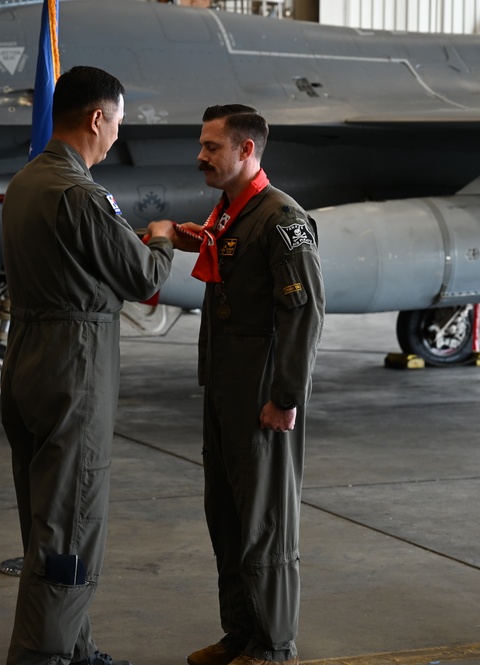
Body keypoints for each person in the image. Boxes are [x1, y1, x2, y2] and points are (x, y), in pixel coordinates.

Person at [0, 65, 176, 665]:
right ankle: (43, 654)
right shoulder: (79, 194)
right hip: (73, 364)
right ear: (97, 119)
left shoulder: (26, 181)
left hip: (26, 353)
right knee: (71, 519)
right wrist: (160, 237)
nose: (117, 137)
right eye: (118, 124)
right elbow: (143, 277)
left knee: (45, 514)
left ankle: (74, 644)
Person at [173, 105, 324, 665]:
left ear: (245, 151)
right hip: (224, 393)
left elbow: (303, 314)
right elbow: (217, 254)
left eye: (212, 146)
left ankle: (273, 645)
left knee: (265, 524)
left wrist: (285, 397)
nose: (201, 156)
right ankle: (240, 634)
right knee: (228, 517)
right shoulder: (231, 213)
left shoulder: (281, 218)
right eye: (202, 144)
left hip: (263, 396)